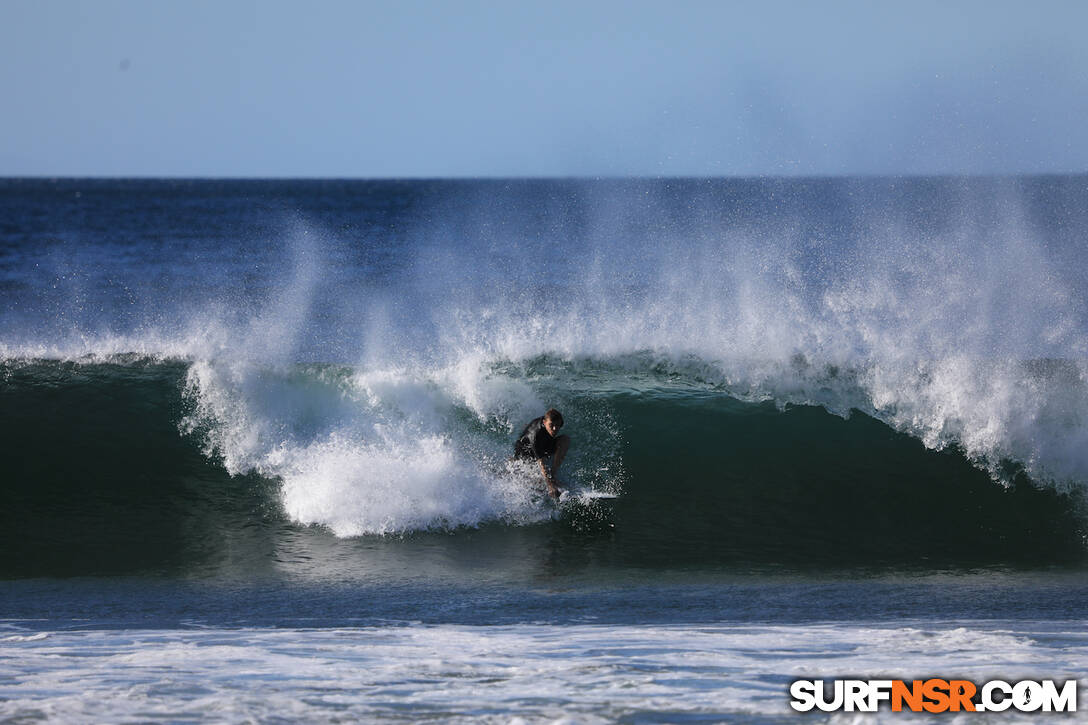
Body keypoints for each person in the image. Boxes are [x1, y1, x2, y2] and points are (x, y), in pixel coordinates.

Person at [513, 408, 570, 499]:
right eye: (551, 425)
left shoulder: (548, 424)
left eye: (558, 425)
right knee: (538, 482)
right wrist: (550, 485)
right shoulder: (535, 436)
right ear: (544, 422)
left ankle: (553, 474)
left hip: (544, 444)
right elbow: (542, 464)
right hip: (526, 453)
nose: (555, 428)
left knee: (565, 440)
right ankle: (550, 481)